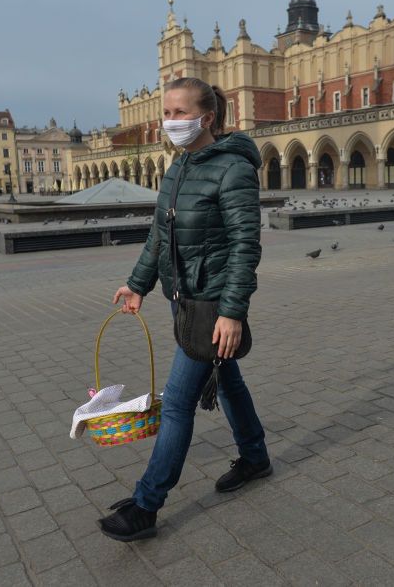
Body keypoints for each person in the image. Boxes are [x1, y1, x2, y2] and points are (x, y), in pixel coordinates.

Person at [102, 77, 270, 542]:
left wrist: (232, 312)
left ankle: (146, 504)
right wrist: (138, 285)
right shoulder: (178, 167)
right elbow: (160, 234)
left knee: (177, 403)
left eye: (179, 113)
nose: (169, 122)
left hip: (212, 303)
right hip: (185, 298)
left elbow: (244, 245)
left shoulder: (234, 169)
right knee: (228, 380)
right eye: (166, 113)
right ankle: (255, 457)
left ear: (207, 118)